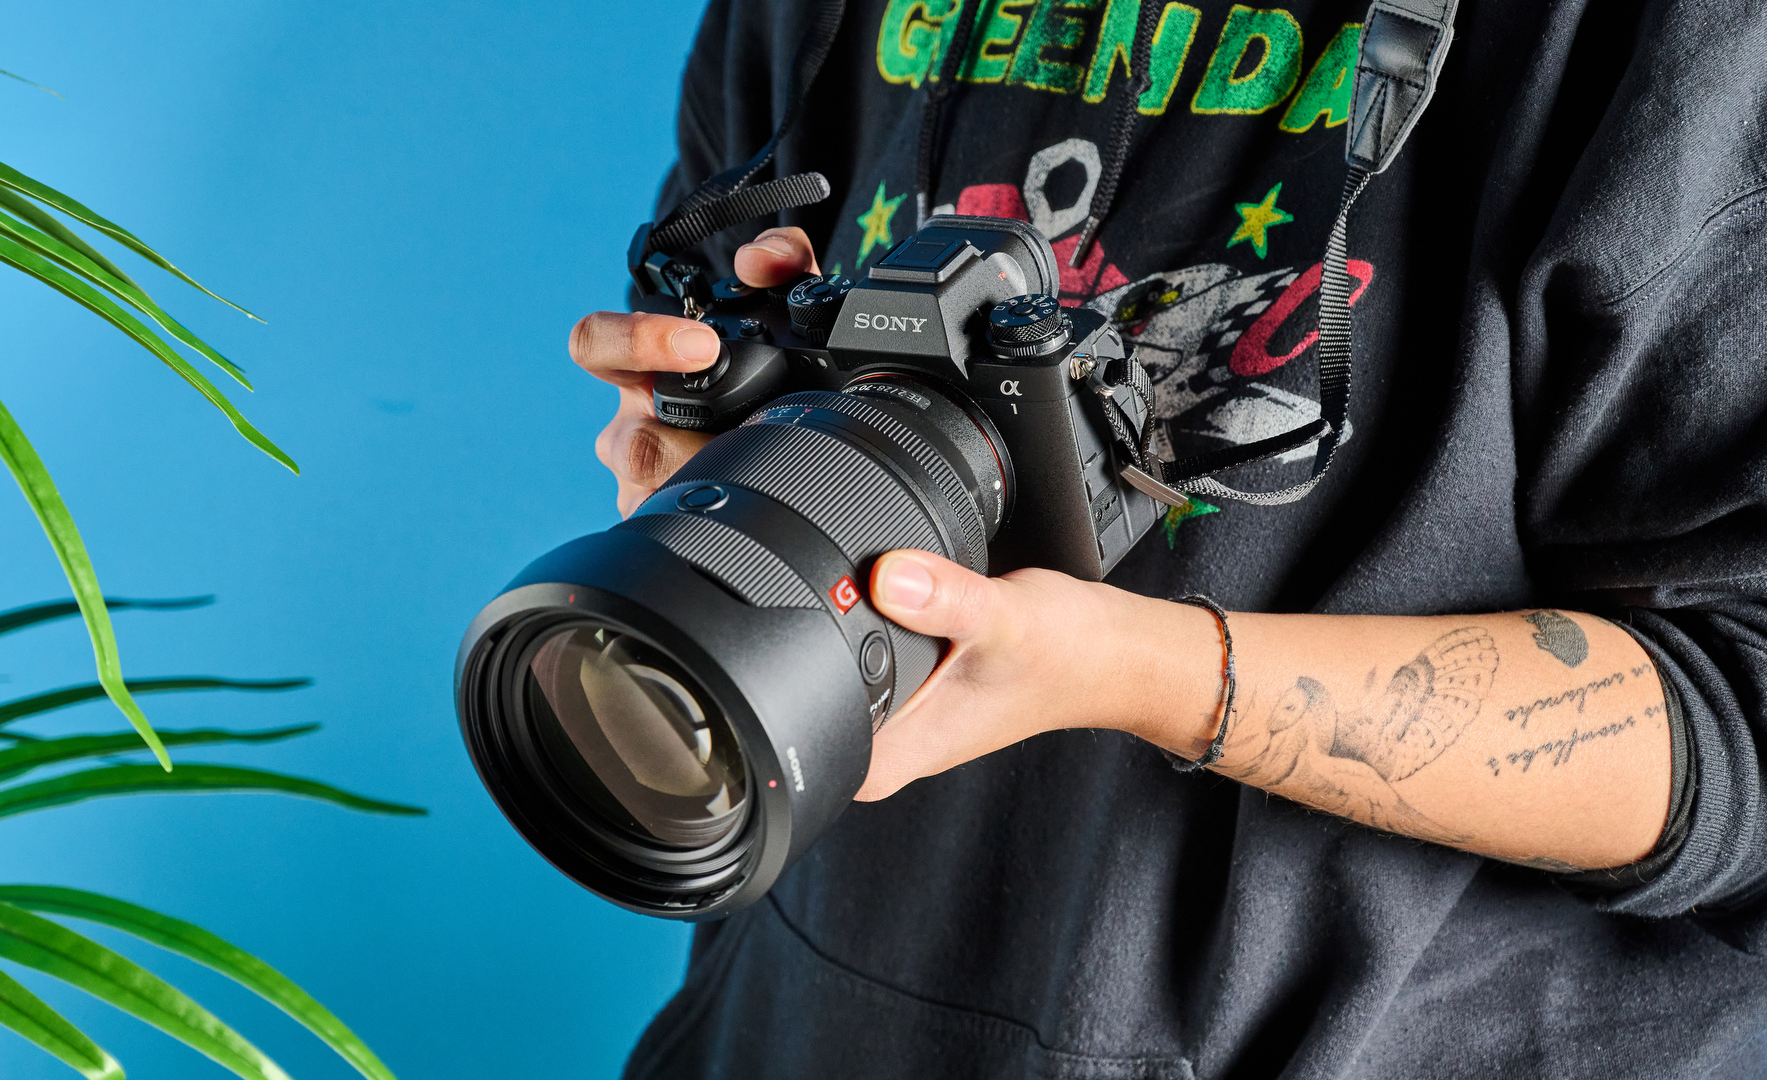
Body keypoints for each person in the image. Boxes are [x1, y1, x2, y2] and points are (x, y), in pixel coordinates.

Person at [567, 0, 1767, 1075]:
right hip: (795, 1023)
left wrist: (1146, 672)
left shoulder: (1658, 40)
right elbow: (709, 315)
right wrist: (699, 431)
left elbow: (1745, 707)